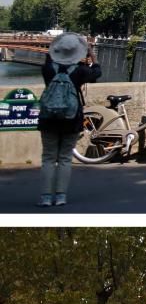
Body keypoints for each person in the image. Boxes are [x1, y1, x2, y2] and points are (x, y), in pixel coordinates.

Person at [36, 31, 101, 207]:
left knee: (48, 158)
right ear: (77, 53)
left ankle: (46, 197)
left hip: (48, 118)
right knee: (65, 157)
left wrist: (54, 50)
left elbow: (49, 60)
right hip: (71, 119)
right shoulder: (80, 72)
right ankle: (61, 196)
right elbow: (97, 72)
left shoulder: (48, 70)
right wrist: (92, 55)